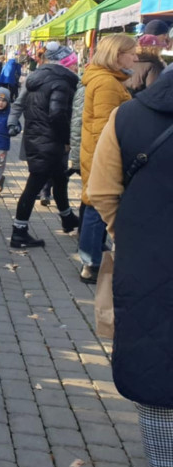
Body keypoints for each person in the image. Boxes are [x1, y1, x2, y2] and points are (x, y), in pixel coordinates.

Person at [87, 69, 173, 467]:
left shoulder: (128, 116)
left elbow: (101, 191)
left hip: (151, 268)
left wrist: (133, 238)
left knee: (157, 379)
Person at [7, 42, 80, 247]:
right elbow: (57, 114)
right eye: (73, 63)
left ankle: (67, 218)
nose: (76, 67)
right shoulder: (61, 82)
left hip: (37, 138)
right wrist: (66, 140)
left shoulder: (37, 79)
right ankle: (19, 232)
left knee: (59, 178)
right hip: (49, 141)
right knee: (33, 186)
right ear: (65, 64)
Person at [77, 34, 135, 283]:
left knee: (94, 203)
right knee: (96, 205)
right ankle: (90, 263)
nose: (135, 57)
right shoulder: (108, 84)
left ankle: (91, 258)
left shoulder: (108, 80)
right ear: (117, 54)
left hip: (97, 152)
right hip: (102, 154)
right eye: (131, 52)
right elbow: (104, 127)